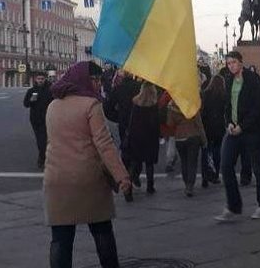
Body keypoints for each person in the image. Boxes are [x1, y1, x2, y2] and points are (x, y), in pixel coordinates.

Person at [44, 61, 131, 268]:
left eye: (100, 80)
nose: (98, 84)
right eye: (94, 79)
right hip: (87, 179)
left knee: (60, 239)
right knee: (102, 232)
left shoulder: (52, 106)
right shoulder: (91, 105)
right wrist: (122, 176)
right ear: (83, 79)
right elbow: (104, 144)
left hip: (57, 180)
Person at [215, 51, 260, 221]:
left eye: (233, 62)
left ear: (241, 62)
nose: (231, 65)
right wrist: (229, 124)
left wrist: (243, 126)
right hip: (233, 131)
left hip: (251, 131)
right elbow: (227, 106)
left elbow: (257, 107)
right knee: (225, 165)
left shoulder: (252, 79)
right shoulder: (229, 80)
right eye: (228, 63)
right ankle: (233, 206)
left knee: (258, 168)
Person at [125, 81, 160, 194]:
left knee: (134, 162)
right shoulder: (154, 105)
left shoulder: (136, 103)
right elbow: (155, 124)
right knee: (149, 163)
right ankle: (150, 186)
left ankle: (128, 187)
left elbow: (132, 122)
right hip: (150, 137)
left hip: (136, 136)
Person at [167, 100, 207, 197]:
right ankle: (190, 185)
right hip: (193, 136)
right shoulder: (192, 105)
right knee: (192, 162)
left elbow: (170, 124)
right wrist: (204, 139)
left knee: (184, 162)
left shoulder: (173, 106)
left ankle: (186, 183)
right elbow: (199, 124)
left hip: (180, 137)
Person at [23, 71, 53, 169]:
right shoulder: (31, 91)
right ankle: (42, 157)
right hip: (35, 119)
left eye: (42, 79)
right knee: (39, 139)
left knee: (43, 140)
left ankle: (42, 158)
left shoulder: (50, 90)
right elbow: (26, 104)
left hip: (47, 118)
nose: (40, 81)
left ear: (45, 79)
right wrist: (31, 101)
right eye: (38, 79)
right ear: (36, 80)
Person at [201, 74, 227, 186]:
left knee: (206, 151)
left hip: (207, 126)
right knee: (217, 151)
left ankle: (205, 177)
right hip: (219, 126)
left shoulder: (205, 94)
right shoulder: (224, 95)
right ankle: (215, 175)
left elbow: (202, 111)